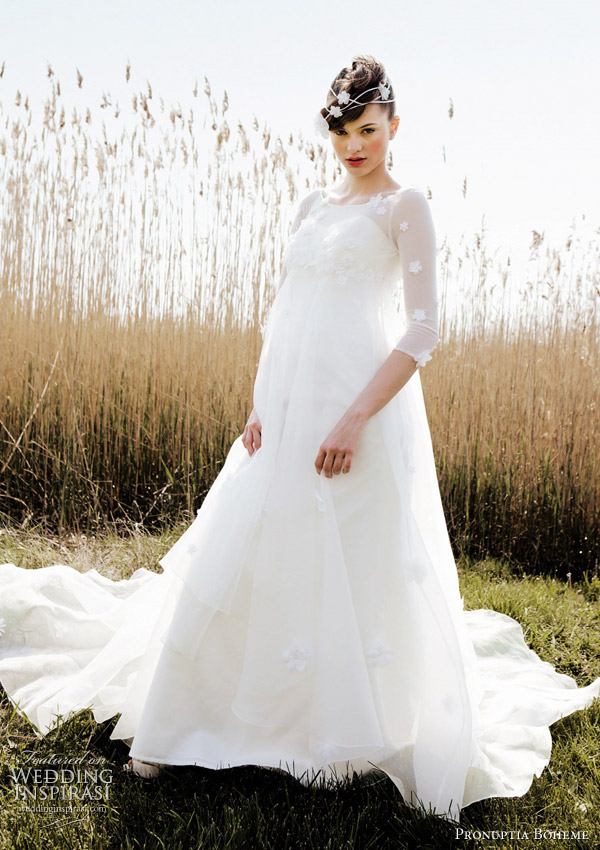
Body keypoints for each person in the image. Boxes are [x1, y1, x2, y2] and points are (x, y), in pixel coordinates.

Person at [1, 54, 599, 825]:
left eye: (369, 130)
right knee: (245, 542)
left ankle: (330, 732)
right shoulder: (311, 207)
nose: (356, 146)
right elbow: (280, 314)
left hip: (358, 406)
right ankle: (176, 718)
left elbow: (423, 328)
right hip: (284, 408)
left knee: (348, 554)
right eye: (345, 132)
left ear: (393, 126)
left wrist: (353, 417)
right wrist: (260, 402)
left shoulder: (404, 206)